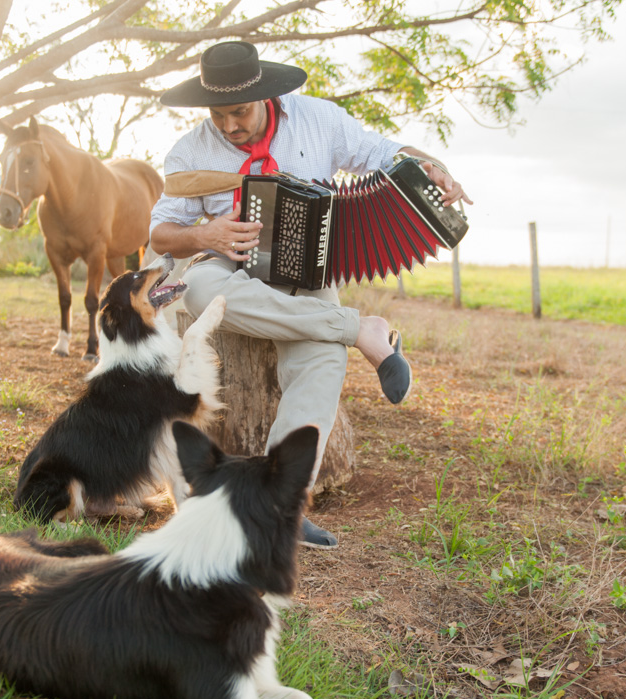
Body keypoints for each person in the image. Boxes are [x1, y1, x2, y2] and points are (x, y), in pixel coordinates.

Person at [150, 41, 471, 549]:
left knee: (321, 359)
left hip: (307, 272)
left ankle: (281, 505)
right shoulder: (189, 152)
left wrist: (432, 165)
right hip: (229, 268)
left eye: (240, 112)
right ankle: (360, 330)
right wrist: (204, 235)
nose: (230, 126)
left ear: (264, 95)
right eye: (218, 115)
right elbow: (161, 236)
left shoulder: (317, 119)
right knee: (200, 290)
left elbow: (382, 152)